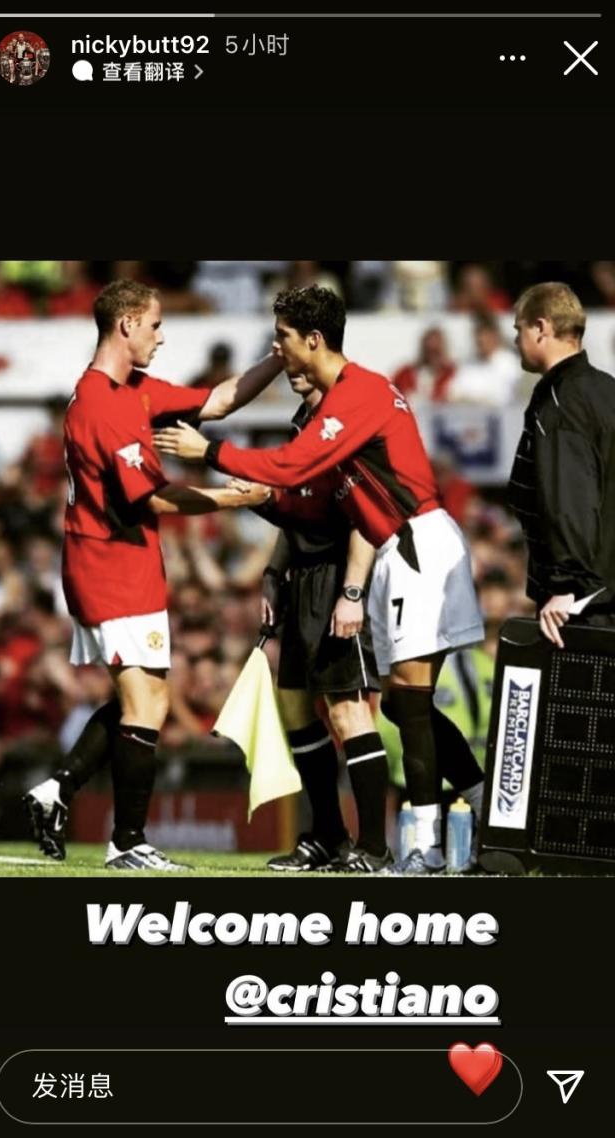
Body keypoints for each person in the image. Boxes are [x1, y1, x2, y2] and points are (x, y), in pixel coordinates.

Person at [155, 285, 486, 875]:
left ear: (313, 340)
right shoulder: (342, 399)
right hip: (400, 548)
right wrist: (266, 524)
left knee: (406, 705)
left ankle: (424, 846)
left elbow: (290, 468)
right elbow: (302, 492)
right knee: (403, 705)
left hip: (413, 544)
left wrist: (209, 452)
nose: (275, 348)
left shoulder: (359, 394)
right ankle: (465, 818)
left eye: (282, 337)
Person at [24, 279, 278, 870]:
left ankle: (58, 789)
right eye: (156, 325)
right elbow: (154, 498)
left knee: (141, 697)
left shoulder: (128, 390)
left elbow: (217, 401)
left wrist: (276, 359)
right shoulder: (105, 407)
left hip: (119, 561)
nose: (161, 337)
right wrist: (236, 498)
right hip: (112, 565)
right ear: (127, 324)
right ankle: (128, 841)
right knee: (147, 702)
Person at [256, 372, 389, 873]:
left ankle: (374, 847)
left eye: (287, 342)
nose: (283, 359)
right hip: (302, 580)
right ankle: (328, 836)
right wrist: (274, 573)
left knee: (348, 712)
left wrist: (352, 593)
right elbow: (298, 512)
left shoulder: (344, 425)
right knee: (294, 706)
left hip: (338, 577)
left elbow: (366, 515)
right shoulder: (302, 425)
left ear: (314, 345)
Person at [510, 281, 615, 647]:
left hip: (582, 606)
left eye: (519, 329)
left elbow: (570, 498)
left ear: (541, 327)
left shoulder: (560, 403)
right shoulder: (607, 389)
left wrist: (567, 586)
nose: (515, 340)